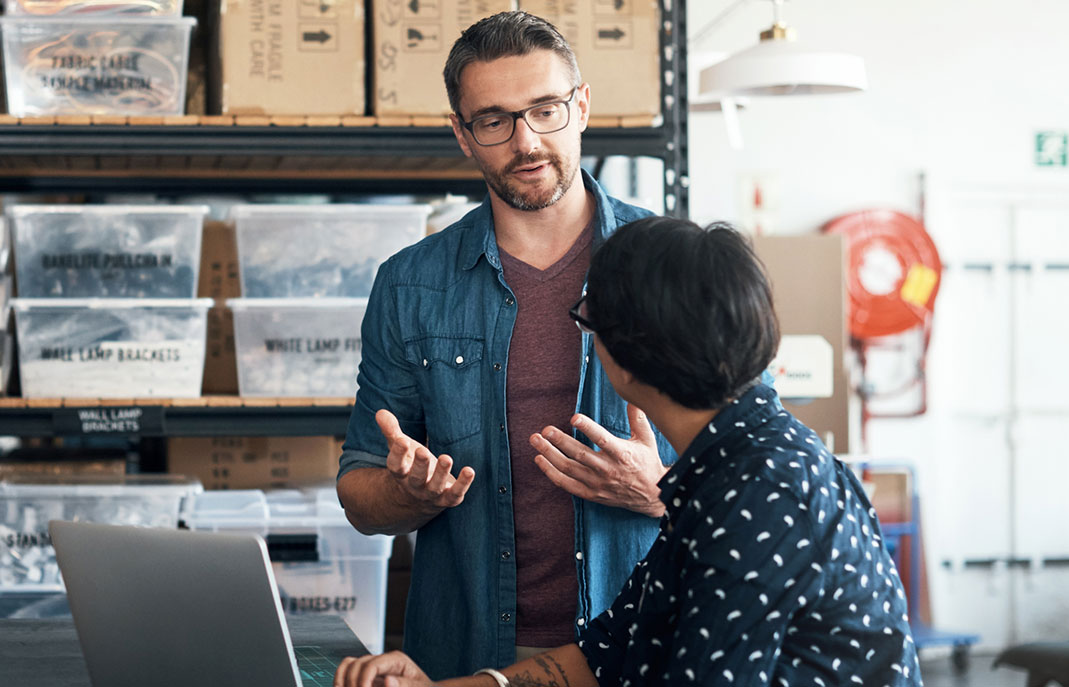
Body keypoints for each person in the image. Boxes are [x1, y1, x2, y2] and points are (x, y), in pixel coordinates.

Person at [334, 217, 923, 687]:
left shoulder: (760, 495)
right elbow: (607, 654)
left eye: (588, 321)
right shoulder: (725, 470)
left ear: (628, 353)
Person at [336, 11, 679, 680]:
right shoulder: (410, 284)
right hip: (466, 656)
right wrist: (411, 494)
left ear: (581, 107)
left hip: (642, 648)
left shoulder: (674, 264)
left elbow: (762, 471)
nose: (526, 141)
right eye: (494, 120)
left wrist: (659, 489)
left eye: (545, 110)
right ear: (463, 135)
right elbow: (358, 489)